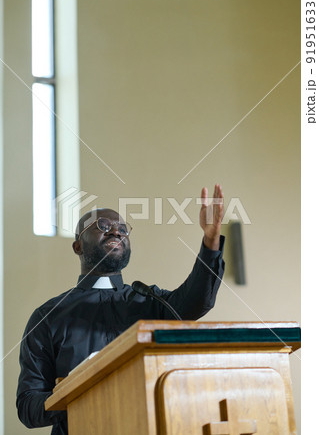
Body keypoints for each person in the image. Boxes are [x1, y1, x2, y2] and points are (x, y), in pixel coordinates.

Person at [16, 185, 225, 434]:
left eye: (123, 229)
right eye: (103, 225)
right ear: (78, 246)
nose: (116, 230)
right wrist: (76, 394)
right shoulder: (47, 317)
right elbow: (28, 407)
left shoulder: (150, 301)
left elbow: (196, 302)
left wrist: (210, 243)